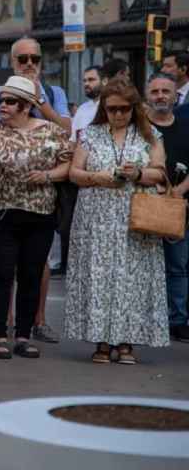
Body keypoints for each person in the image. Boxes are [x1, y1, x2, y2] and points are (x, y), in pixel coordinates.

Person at [66, 76, 169, 364]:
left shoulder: (150, 135)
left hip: (134, 218)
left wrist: (137, 174)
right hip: (95, 219)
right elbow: (74, 173)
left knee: (131, 280)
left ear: (134, 107)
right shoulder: (89, 134)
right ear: (104, 109)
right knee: (99, 277)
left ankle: (126, 342)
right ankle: (101, 341)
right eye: (112, 109)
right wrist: (97, 177)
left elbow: (160, 173)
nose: (119, 114)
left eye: (124, 108)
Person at [0, 37, 71, 345]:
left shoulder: (52, 111)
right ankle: (0, 334)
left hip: (41, 213)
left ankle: (26, 333)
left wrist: (45, 175)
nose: (29, 63)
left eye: (35, 58)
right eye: (23, 59)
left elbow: (67, 159)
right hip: (2, 212)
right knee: (2, 273)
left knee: (32, 274)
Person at [144, 73, 189, 343]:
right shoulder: (141, 128)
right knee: (142, 264)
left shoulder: (185, 126)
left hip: (177, 206)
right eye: (155, 91)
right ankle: (146, 317)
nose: (160, 96)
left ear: (175, 96)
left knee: (177, 265)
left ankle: (178, 320)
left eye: (166, 91)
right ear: (148, 95)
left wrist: (179, 192)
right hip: (144, 203)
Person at [71, 66, 102, 142]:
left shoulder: (111, 107)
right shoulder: (82, 109)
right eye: (84, 81)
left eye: (91, 80)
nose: (86, 84)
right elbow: (73, 140)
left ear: (104, 81)